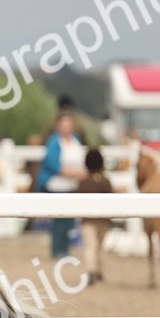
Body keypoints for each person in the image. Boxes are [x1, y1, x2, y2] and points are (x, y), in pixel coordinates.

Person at [35, 113, 86, 259]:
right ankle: (58, 249)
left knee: (69, 219)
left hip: (71, 185)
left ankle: (65, 247)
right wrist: (72, 173)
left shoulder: (75, 139)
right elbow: (52, 164)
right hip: (56, 185)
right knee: (59, 220)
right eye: (64, 123)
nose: (66, 126)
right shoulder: (54, 142)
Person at [76, 147, 113, 284]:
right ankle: (98, 270)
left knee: (90, 246)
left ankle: (90, 270)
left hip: (88, 220)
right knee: (100, 246)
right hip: (103, 220)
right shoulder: (105, 182)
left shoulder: (83, 183)